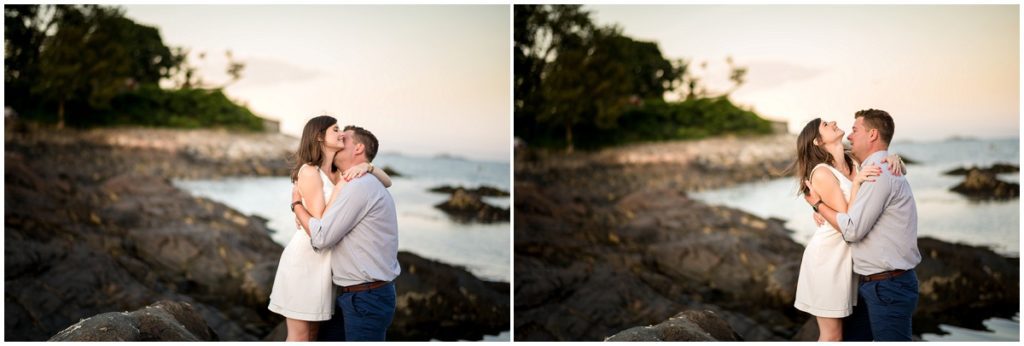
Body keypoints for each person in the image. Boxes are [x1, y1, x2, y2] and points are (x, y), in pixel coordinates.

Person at [268, 117, 391, 341]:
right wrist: (298, 206)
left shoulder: (338, 172)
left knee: (315, 333)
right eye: (335, 129)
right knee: (301, 334)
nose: (341, 133)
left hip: (325, 262)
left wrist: (368, 167)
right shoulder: (310, 171)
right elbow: (321, 222)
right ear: (318, 137)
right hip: (306, 257)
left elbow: (388, 182)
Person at [804, 109, 921, 341]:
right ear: (818, 141)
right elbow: (850, 221)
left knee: (849, 337)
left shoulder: (855, 162)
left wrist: (894, 158)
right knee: (834, 336)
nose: (845, 130)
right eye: (826, 124)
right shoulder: (825, 170)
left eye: (855, 130)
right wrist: (817, 206)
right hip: (832, 258)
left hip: (858, 267)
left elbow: (877, 160)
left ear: (872, 134)